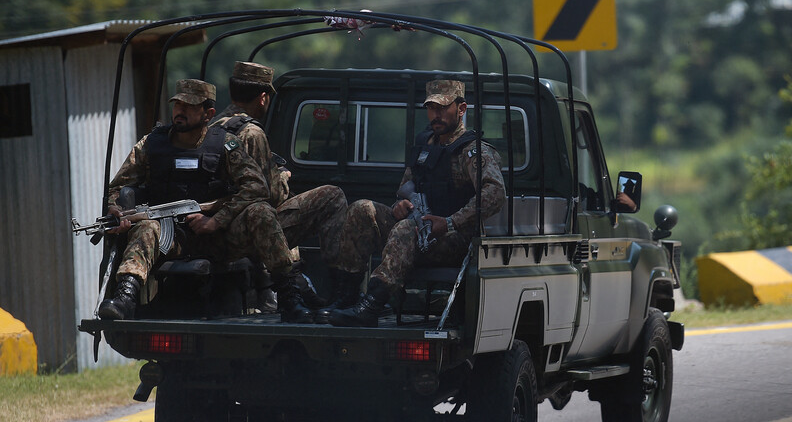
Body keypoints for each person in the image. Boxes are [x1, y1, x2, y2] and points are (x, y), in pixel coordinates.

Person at [97, 79, 314, 323]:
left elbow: (256, 186)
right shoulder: (151, 145)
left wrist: (216, 220)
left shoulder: (226, 144)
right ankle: (125, 296)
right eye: (177, 104)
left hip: (219, 237)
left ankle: (289, 295)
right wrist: (115, 210)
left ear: (208, 113)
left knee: (262, 211)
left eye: (189, 106)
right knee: (147, 227)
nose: (180, 111)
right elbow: (117, 186)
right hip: (173, 237)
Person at [325, 79, 506, 327]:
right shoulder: (425, 145)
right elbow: (406, 187)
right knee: (361, 209)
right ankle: (345, 297)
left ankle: (372, 305)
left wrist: (451, 222)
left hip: (452, 240)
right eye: (432, 108)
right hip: (417, 229)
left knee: (407, 229)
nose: (436, 115)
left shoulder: (472, 151)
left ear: (461, 109)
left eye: (443, 108)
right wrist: (400, 205)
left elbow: (495, 193)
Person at [211, 61, 348, 311]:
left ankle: (297, 284)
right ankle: (342, 291)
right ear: (263, 98)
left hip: (220, 228)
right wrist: (283, 177)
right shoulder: (251, 133)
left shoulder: (214, 126)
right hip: (248, 231)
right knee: (333, 196)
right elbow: (269, 195)